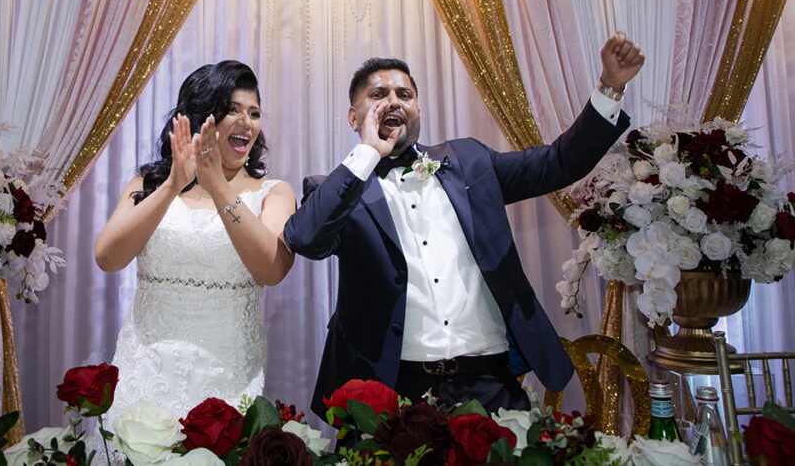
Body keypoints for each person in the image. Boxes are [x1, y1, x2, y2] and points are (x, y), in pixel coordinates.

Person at [284, 32, 645, 418]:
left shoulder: (470, 159)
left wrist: (610, 88)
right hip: (393, 389)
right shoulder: (336, 191)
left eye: (404, 95)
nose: (393, 101)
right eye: (378, 95)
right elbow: (304, 238)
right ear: (354, 118)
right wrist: (369, 153)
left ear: (418, 110)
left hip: (490, 383)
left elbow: (558, 163)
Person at [94, 60, 296, 421]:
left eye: (254, 113)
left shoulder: (273, 193)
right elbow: (108, 258)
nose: (246, 123)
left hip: (227, 376)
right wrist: (173, 185)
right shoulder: (148, 184)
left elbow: (272, 268)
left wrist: (218, 185)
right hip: (144, 370)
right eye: (232, 110)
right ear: (202, 116)